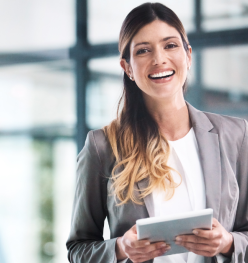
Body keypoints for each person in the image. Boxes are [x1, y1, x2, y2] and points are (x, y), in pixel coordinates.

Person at [66, 2, 248, 263]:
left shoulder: (236, 136)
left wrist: (229, 243)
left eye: (170, 45)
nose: (159, 59)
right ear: (127, 67)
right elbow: (78, 249)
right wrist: (120, 248)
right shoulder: (102, 146)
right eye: (143, 50)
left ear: (188, 55)